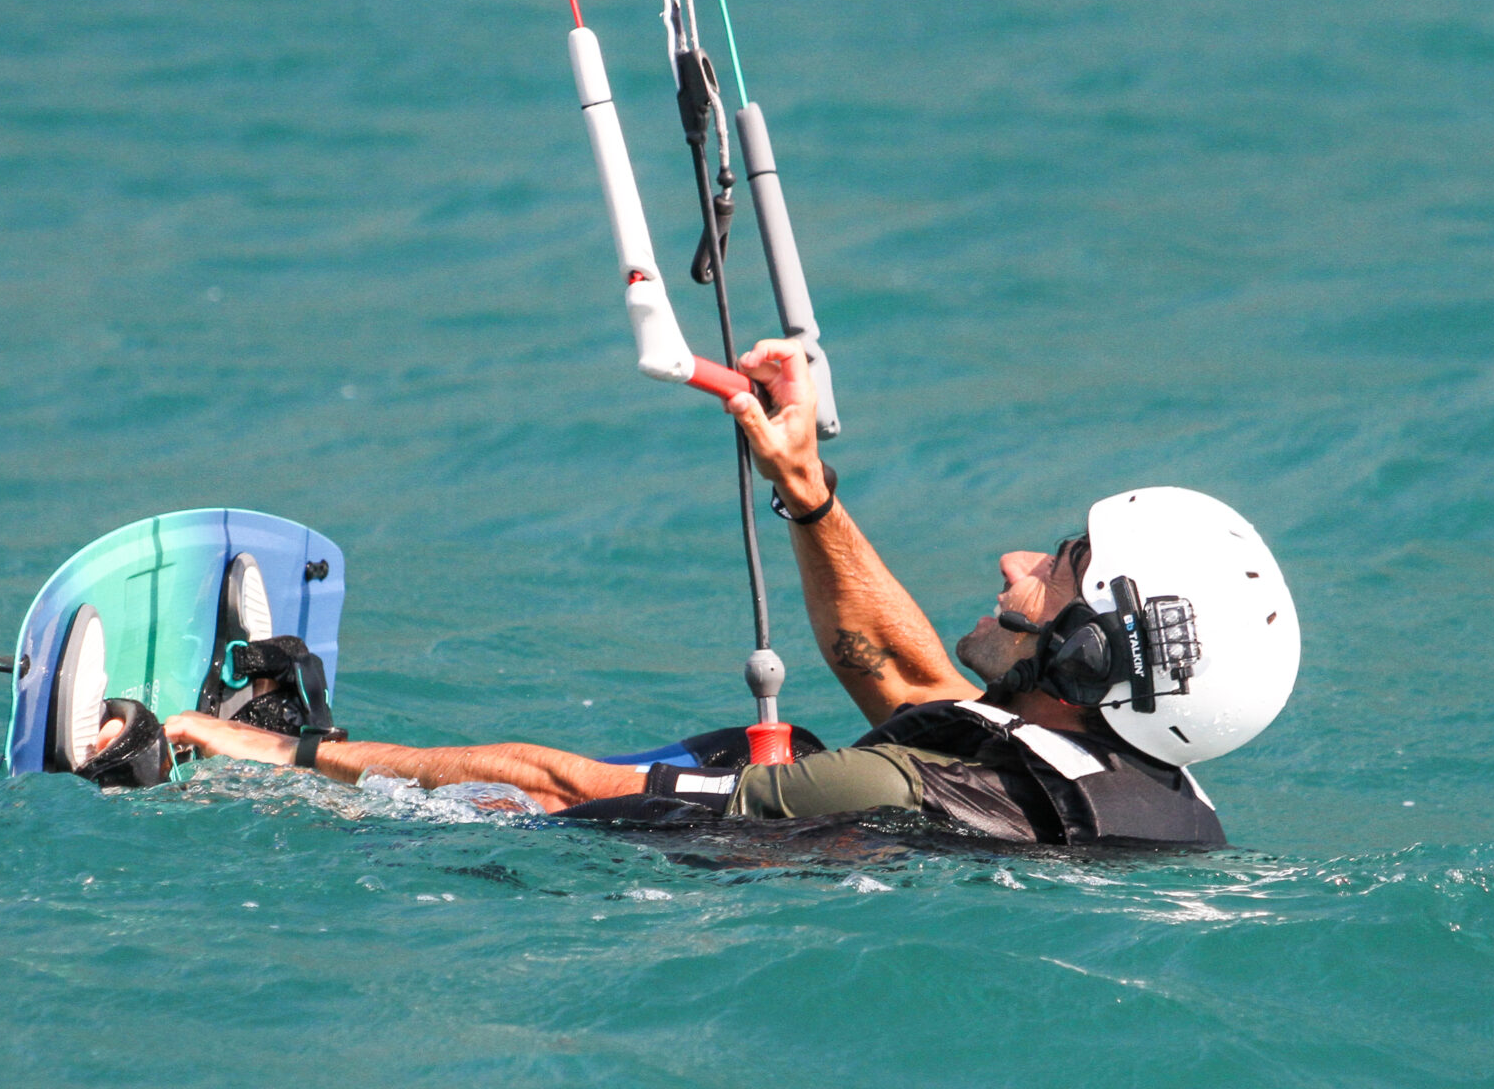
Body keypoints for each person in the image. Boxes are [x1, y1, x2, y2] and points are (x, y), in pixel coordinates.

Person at [157, 339, 1300, 846]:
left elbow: (555, 787)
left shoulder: (888, 787)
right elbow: (902, 677)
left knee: (651, 780)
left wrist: (268, 759)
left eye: (1054, 569)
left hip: (654, 908)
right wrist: (804, 489)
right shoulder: (1143, 788)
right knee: (788, 737)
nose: (1016, 564)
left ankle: (244, 774)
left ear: (1088, 662)